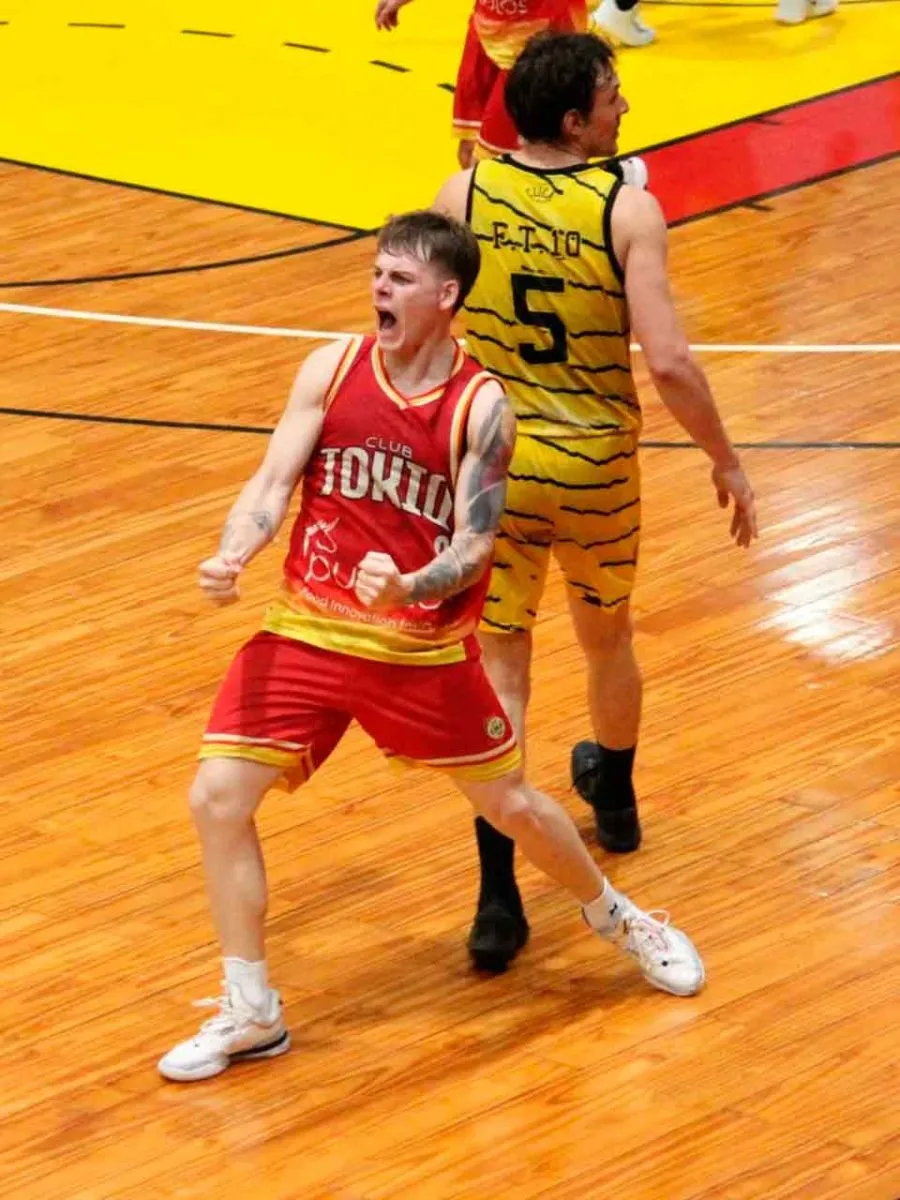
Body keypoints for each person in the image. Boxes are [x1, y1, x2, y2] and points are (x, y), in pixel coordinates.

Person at [157, 210, 705, 1082]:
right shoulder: (331, 366)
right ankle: (252, 1010)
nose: (380, 287)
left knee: (512, 804)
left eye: (400, 278)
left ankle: (617, 917)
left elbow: (476, 545)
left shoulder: (482, 407)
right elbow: (270, 483)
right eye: (377, 272)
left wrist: (410, 586)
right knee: (216, 799)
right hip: (307, 627)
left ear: (447, 296)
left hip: (416, 649)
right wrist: (235, 552)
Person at [434, 33, 757, 972]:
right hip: (596, 467)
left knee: (503, 668)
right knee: (607, 637)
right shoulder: (628, 208)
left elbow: (421, 332)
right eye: (614, 98)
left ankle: (498, 901)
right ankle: (614, 801)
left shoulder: (462, 194)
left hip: (495, 464)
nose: (626, 110)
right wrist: (726, 460)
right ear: (575, 121)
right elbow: (670, 362)